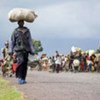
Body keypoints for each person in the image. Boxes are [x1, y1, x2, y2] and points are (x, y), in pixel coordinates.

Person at [10, 20, 35, 84]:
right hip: (18, 50)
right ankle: (19, 78)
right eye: (20, 22)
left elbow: (30, 41)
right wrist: (11, 50)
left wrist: (32, 50)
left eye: (22, 22)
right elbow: (12, 41)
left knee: (25, 64)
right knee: (20, 62)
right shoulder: (15, 31)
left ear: (23, 23)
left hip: (26, 50)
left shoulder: (27, 31)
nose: (21, 23)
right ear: (18, 23)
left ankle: (23, 78)